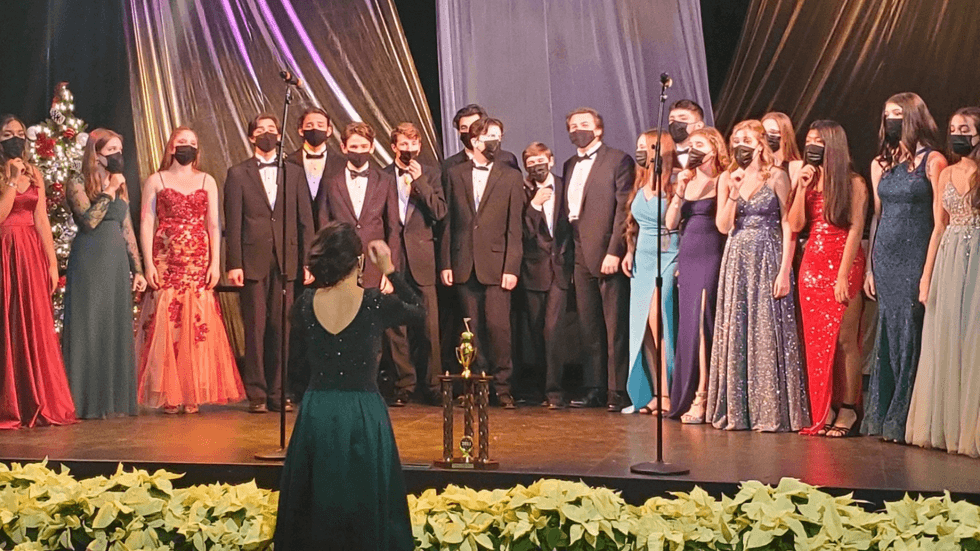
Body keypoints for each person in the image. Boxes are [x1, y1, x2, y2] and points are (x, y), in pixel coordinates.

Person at [274, 224, 420, 551]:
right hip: (362, 414)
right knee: (363, 501)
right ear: (359, 261)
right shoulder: (374, 303)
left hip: (317, 411)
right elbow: (421, 312)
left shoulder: (304, 304)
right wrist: (391, 271)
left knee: (316, 505)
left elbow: (296, 366)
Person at [706, 120, 809, 432]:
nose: (741, 145)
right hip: (737, 257)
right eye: (736, 140)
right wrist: (734, 192)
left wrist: (785, 270)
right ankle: (738, 410)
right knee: (737, 328)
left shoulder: (776, 176)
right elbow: (723, 226)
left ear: (761, 144)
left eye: (747, 140)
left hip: (768, 255)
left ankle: (770, 410)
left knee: (765, 328)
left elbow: (788, 224)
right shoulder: (727, 178)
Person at [136, 127, 245, 414]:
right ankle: (169, 392)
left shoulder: (207, 180)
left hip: (197, 259)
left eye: (192, 142)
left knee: (196, 322)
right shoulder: (156, 180)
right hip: (166, 257)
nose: (187, 146)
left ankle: (191, 390)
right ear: (171, 147)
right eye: (182, 141)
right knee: (169, 321)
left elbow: (214, 225)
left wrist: (215, 263)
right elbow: (146, 222)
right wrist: (148, 263)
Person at [861, 92, 946, 442]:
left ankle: (906, 417)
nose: (890, 120)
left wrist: (928, 272)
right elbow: (876, 217)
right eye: (887, 114)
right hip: (886, 257)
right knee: (888, 332)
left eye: (897, 113)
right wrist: (869, 267)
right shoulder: (882, 163)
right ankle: (884, 415)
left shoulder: (934, 160)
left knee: (911, 330)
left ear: (912, 116)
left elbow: (940, 221)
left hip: (916, 254)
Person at [224, 113, 315, 414]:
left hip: (286, 259)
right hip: (252, 260)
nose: (267, 133)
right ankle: (257, 393)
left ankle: (279, 392)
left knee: (282, 328)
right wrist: (234, 263)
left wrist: (308, 261)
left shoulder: (294, 172)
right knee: (255, 328)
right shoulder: (238, 173)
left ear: (279, 135)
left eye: (272, 129)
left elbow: (305, 221)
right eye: (260, 130)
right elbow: (233, 222)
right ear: (252, 137)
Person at [906, 106, 980, 456]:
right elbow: (939, 227)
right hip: (950, 259)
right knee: (949, 336)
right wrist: (926, 277)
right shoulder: (946, 173)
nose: (957, 134)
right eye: (954, 129)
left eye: (965, 129)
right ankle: (950, 426)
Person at [788, 121, 867, 437]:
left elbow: (856, 229)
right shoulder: (807, 179)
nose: (811, 146)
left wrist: (843, 276)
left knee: (845, 339)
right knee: (816, 342)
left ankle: (848, 409)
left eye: (818, 141)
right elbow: (796, 224)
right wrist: (801, 188)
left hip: (843, 261)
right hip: (812, 264)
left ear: (833, 144)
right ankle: (825, 408)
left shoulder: (854, 183)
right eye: (808, 140)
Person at [62, 128, 147, 419]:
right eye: (111, 150)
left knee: (113, 325)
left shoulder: (120, 182)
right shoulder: (77, 181)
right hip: (89, 258)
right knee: (89, 325)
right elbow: (89, 221)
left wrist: (137, 269)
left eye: (119, 150)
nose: (117, 155)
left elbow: (126, 227)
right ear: (96, 153)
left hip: (115, 260)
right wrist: (109, 191)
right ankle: (84, 401)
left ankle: (112, 401)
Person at [440, 117, 524, 408]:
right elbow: (449, 223)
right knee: (470, 329)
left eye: (498, 136)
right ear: (475, 141)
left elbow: (515, 227)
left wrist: (511, 267)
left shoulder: (511, 176)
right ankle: (477, 385)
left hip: (497, 265)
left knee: (499, 329)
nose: (495, 141)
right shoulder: (455, 174)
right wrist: (446, 263)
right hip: (464, 263)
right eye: (490, 136)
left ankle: (503, 386)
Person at [0, 114, 76, 429]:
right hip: (5, 250)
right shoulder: (5, 174)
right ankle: (10, 402)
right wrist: (10, 180)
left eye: (19, 133)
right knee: (8, 321)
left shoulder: (35, 173)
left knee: (33, 321)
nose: (15, 138)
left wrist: (52, 262)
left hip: (30, 252)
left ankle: (38, 397)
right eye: (7, 134)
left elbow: (41, 218)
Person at [560, 107, 635, 411]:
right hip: (579, 250)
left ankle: (618, 390)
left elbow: (623, 209)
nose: (578, 129)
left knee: (614, 326)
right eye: (573, 125)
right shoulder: (569, 164)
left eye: (584, 124)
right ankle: (594, 387)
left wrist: (615, 250)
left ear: (599, 129)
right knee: (588, 325)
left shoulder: (618, 160)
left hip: (606, 251)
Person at [664, 127, 729, 423]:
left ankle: (704, 395)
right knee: (689, 325)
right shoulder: (685, 179)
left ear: (713, 149)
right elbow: (670, 223)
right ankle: (688, 392)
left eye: (700, 145)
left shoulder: (723, 179)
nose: (693, 150)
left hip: (710, 251)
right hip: (688, 255)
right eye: (691, 146)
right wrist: (679, 191)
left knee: (704, 321)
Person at [382, 122, 446, 405]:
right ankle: (403, 384)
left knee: (428, 325)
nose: (408, 149)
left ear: (419, 147)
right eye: (403, 145)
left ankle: (432, 385)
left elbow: (440, 212)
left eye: (413, 144)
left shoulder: (432, 174)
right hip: (393, 258)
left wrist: (419, 182)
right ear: (394, 147)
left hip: (422, 257)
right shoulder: (382, 175)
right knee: (395, 326)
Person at [621, 130, 679, 415]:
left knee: (659, 321)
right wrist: (629, 251)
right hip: (642, 258)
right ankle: (655, 391)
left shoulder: (676, 181)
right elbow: (633, 223)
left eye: (648, 146)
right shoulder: (640, 178)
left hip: (668, 255)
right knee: (643, 326)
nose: (642, 151)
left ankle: (669, 392)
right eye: (639, 146)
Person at [317, 122, 401, 292]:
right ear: (344, 147)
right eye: (354, 147)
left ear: (372, 148)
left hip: (376, 269)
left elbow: (393, 228)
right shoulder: (330, 181)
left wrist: (390, 273)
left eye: (364, 146)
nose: (359, 151)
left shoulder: (385, 181)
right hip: (340, 267)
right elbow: (323, 226)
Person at [519, 142, 572, 408]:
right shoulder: (522, 191)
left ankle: (555, 391)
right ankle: (541, 388)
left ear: (550, 161)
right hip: (533, 269)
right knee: (536, 330)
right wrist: (534, 206)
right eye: (530, 163)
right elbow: (522, 231)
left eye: (540, 161)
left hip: (560, 267)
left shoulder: (565, 185)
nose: (536, 166)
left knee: (552, 330)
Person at [286, 107, 345, 232]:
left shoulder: (342, 164)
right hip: (298, 232)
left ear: (329, 130)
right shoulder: (288, 163)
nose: (315, 128)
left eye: (320, 125)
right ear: (301, 131)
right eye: (309, 125)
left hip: (331, 234)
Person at [442, 104, 521, 172]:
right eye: (464, 128)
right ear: (458, 131)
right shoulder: (450, 165)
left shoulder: (507, 159)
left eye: (474, 126)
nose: (469, 131)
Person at [667, 100, 706, 170]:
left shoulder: (707, 155)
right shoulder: (663, 156)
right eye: (672, 120)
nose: (675, 123)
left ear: (699, 125)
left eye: (683, 119)